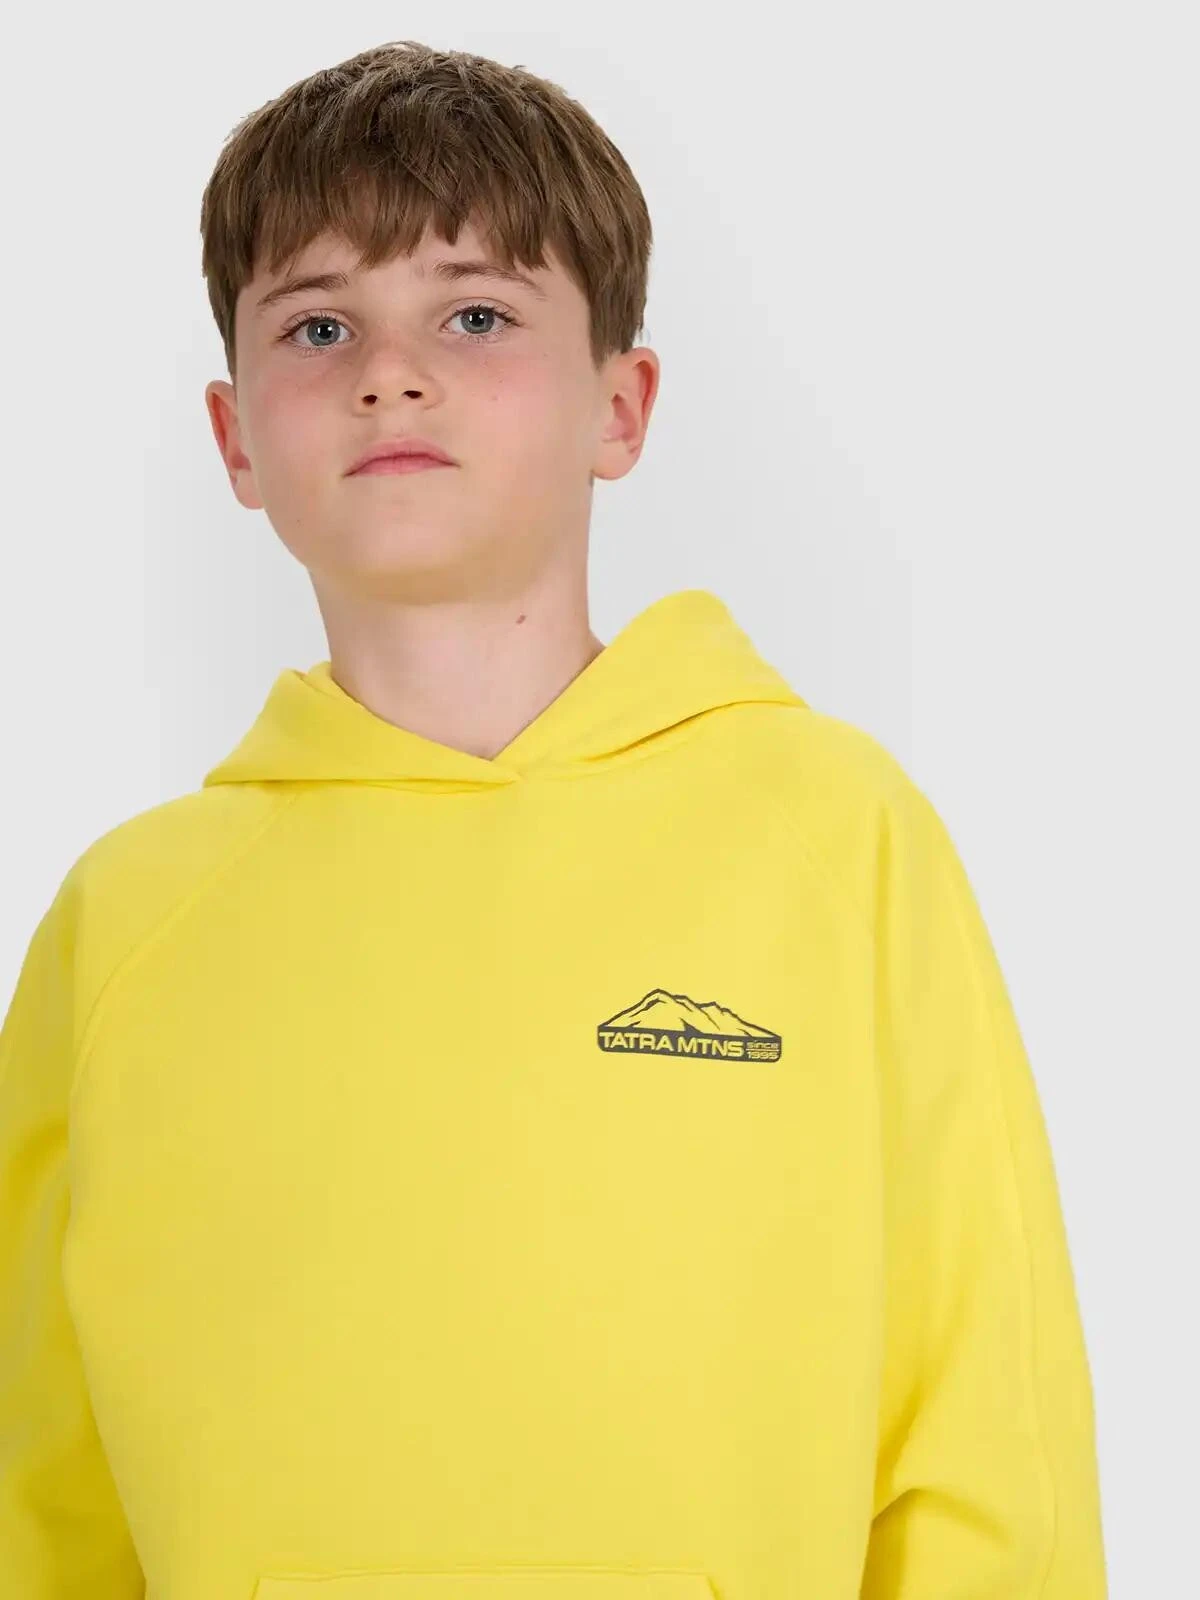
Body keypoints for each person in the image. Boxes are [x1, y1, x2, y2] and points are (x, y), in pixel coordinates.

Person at [0, 37, 1107, 1600]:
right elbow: (38, 1498)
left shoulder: (832, 835)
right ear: (237, 437)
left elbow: (989, 1433)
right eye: (318, 324)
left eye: (475, 313)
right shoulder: (125, 923)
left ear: (621, 406)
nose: (390, 373)